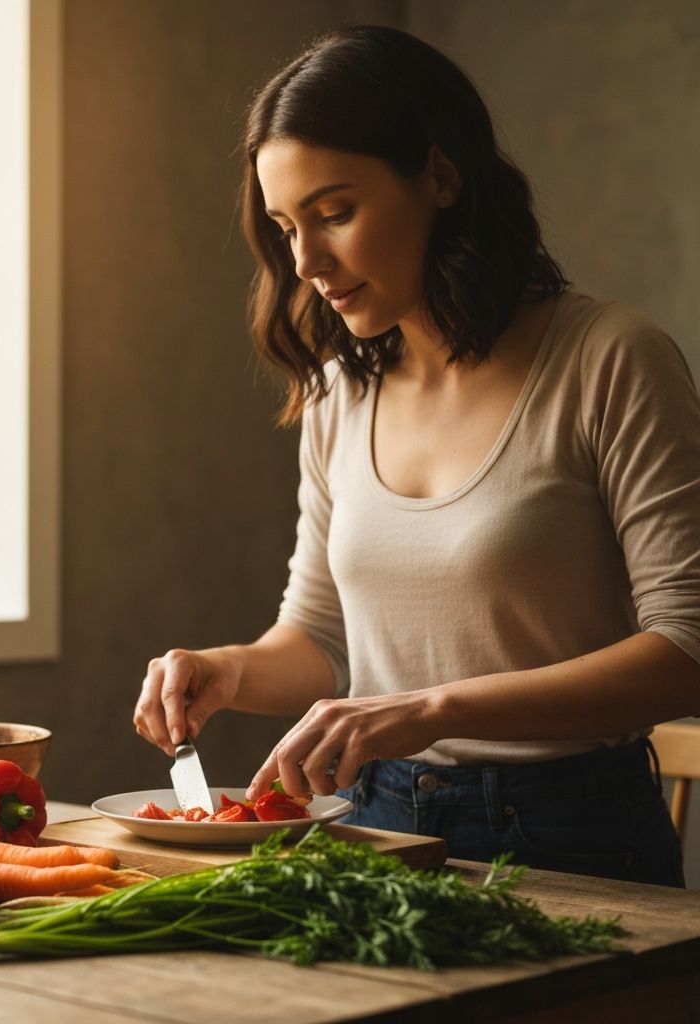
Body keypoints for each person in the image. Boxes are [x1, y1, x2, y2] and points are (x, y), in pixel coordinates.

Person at [132, 25, 700, 886]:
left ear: (439, 176)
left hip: (575, 833)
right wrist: (225, 671)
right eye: (286, 227)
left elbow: (687, 648)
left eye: (334, 214)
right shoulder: (337, 392)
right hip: (374, 827)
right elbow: (321, 637)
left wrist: (430, 709)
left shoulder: (611, 358)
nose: (306, 261)